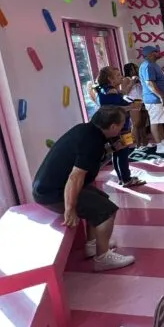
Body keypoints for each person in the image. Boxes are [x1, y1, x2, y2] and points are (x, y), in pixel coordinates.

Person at [31, 106, 135, 272]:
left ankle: (92, 245)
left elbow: (90, 162)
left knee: (103, 200)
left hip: (49, 188)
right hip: (53, 193)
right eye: (122, 124)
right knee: (107, 211)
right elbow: (75, 177)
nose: (123, 127)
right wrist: (70, 209)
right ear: (114, 126)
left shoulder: (87, 131)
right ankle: (103, 258)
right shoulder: (92, 141)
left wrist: (113, 149)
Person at [95, 66, 145, 188]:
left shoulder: (104, 90)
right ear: (110, 79)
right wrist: (132, 106)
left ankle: (122, 177)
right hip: (119, 128)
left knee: (117, 153)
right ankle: (126, 179)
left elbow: (119, 97)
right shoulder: (110, 92)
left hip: (114, 128)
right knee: (122, 153)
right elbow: (116, 108)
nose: (121, 77)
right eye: (117, 76)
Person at [138, 46, 164, 154]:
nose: (158, 53)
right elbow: (150, 83)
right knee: (155, 122)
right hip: (154, 100)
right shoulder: (147, 66)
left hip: (158, 100)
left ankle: (163, 142)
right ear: (150, 54)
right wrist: (162, 96)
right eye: (156, 52)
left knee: (160, 122)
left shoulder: (152, 65)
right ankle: (159, 146)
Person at [122, 62, 149, 148]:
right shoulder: (126, 79)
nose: (136, 70)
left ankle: (145, 143)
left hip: (142, 101)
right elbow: (124, 92)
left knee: (143, 123)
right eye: (135, 68)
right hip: (134, 102)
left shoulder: (139, 77)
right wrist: (132, 83)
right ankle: (137, 144)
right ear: (130, 70)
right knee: (136, 123)